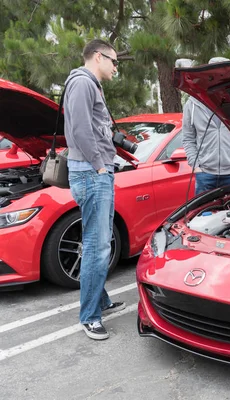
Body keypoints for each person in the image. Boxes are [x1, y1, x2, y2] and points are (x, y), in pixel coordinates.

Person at [64, 39, 125, 340]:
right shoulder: (83, 83)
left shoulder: (90, 85)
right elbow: (79, 130)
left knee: (98, 241)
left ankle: (100, 300)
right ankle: (89, 317)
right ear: (98, 57)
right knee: (97, 246)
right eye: (114, 61)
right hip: (91, 173)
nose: (116, 67)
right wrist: (100, 164)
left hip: (96, 171)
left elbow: (97, 129)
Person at [182, 57, 230, 196]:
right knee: (204, 216)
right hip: (205, 174)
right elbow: (188, 138)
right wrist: (196, 166)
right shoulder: (193, 103)